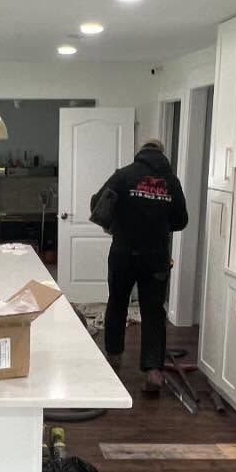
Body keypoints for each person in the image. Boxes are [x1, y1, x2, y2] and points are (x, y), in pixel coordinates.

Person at [90, 138, 188, 394]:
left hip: (123, 253)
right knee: (153, 312)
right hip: (155, 257)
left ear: (140, 153)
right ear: (162, 154)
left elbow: (97, 205)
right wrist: (158, 221)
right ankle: (153, 372)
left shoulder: (123, 176)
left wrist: (122, 219)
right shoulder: (171, 182)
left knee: (117, 303)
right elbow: (181, 220)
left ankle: (113, 358)